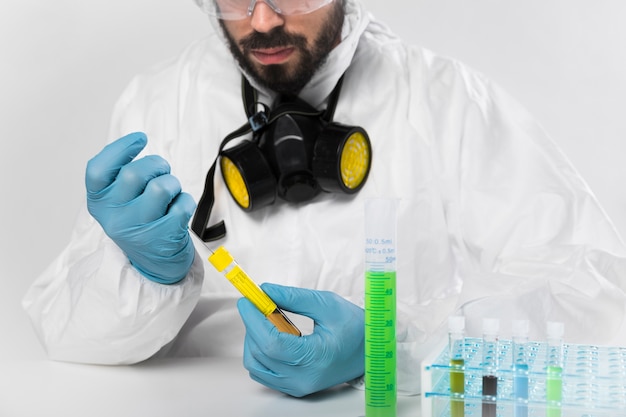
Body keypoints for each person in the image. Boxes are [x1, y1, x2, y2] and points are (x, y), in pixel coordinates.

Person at [22, 0, 626, 398]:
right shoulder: (162, 101)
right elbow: (70, 336)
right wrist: (143, 272)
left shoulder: (446, 103)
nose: (261, 20)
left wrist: (395, 348)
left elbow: (603, 304)